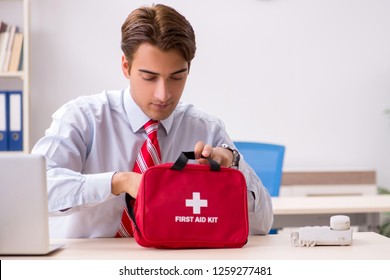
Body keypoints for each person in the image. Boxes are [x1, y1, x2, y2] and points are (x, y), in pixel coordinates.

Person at [32, 4, 273, 238]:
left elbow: (262, 224)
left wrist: (232, 162)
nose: (163, 94)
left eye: (176, 77)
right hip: (89, 264)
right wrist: (118, 181)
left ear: (188, 69)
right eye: (149, 77)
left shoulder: (205, 129)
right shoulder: (83, 118)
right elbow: (34, 191)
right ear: (126, 67)